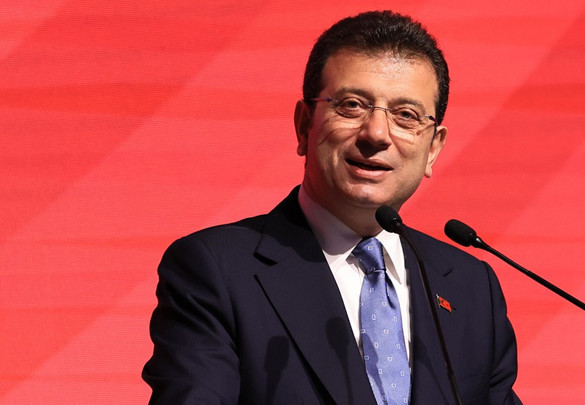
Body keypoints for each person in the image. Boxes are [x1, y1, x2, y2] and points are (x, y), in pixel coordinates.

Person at [143, 10, 521, 405]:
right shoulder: (217, 270)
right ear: (304, 125)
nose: (376, 133)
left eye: (406, 116)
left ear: (433, 149)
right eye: (352, 106)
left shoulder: (470, 286)